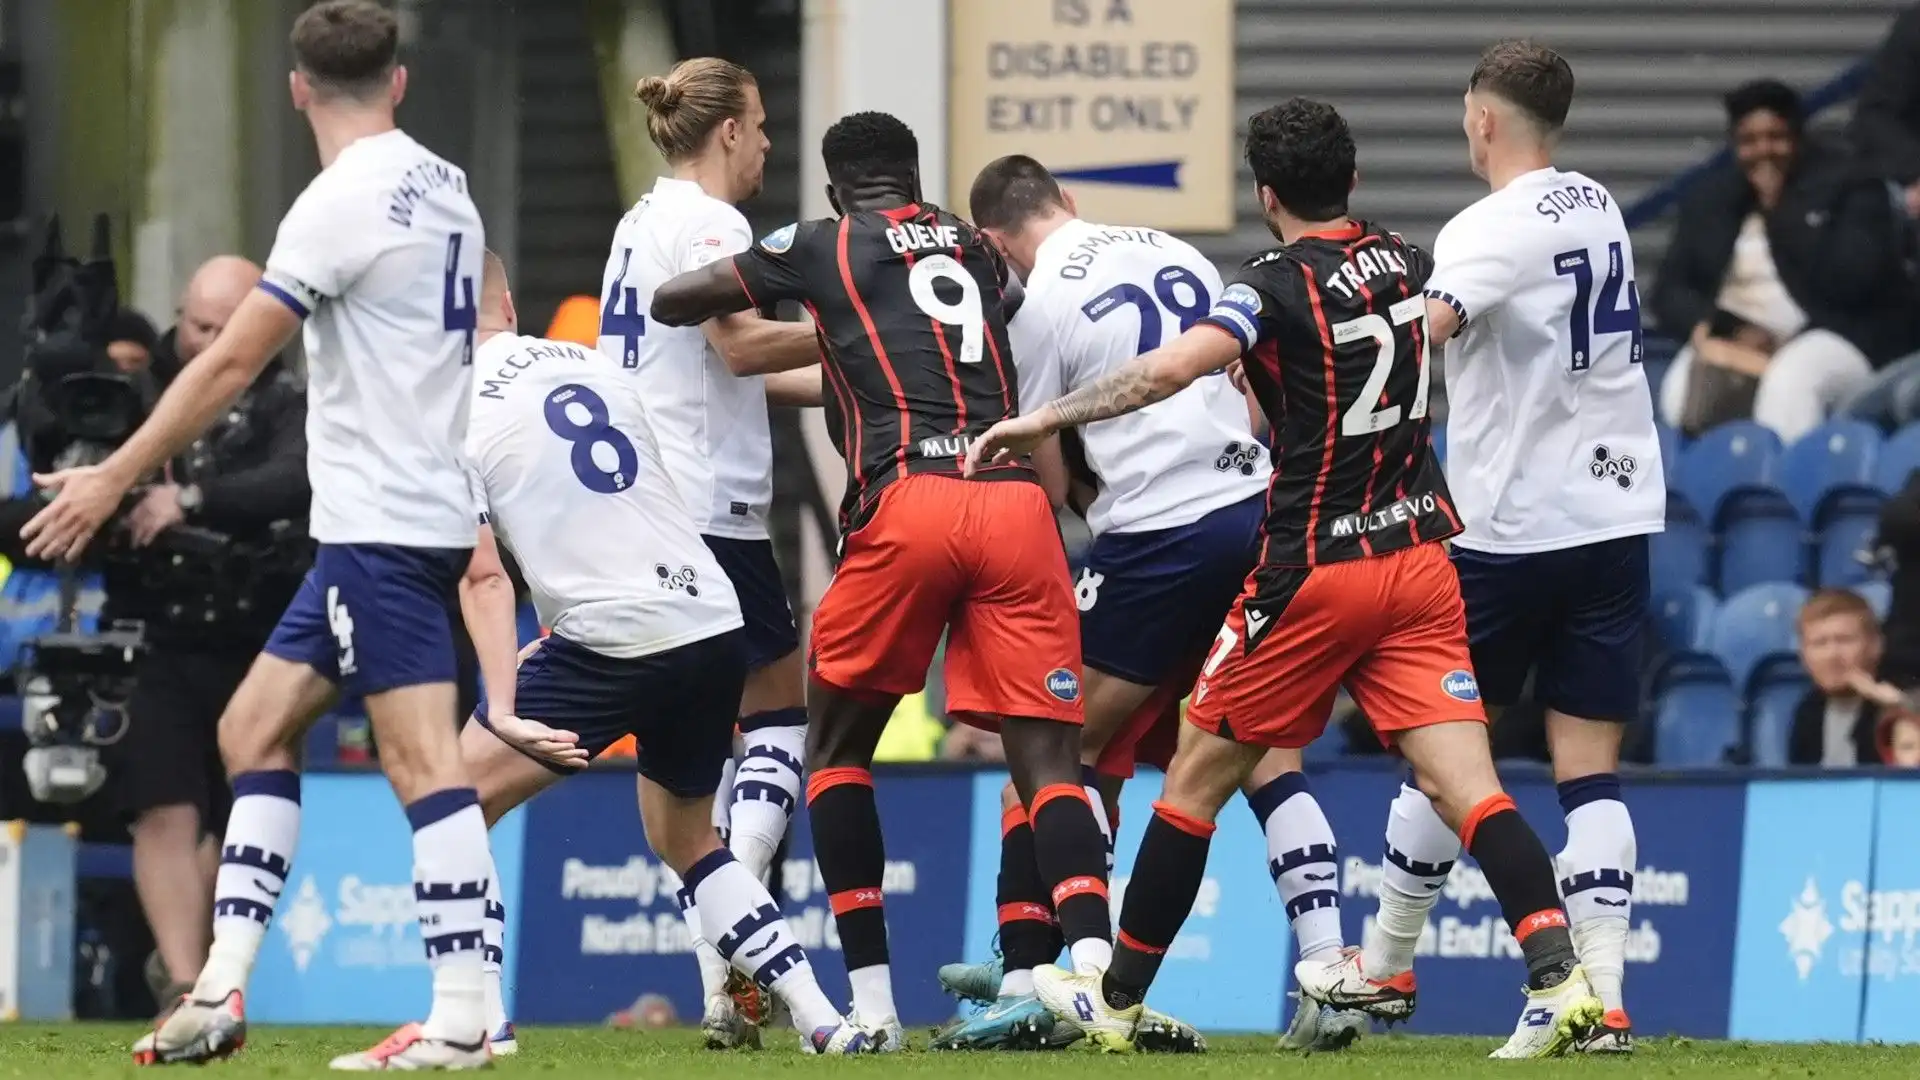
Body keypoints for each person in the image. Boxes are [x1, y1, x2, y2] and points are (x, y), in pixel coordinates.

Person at [965, 96, 1602, 1058]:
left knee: (1189, 784)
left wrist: (1039, 421)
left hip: (1316, 568)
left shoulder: (1267, 286)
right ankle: (1563, 980)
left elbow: (1169, 370)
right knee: (1470, 787)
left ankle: (1118, 998)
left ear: (1266, 196)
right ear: (1348, 179)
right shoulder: (1409, 258)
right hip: (1419, 557)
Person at [23, 3, 496, 1068]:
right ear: (400, 81)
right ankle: (220, 993)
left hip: (382, 523)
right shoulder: (447, 185)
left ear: (296, 89)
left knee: (423, 766)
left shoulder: (334, 206)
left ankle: (465, 1014)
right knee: (249, 732)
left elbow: (232, 363)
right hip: (389, 519)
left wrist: (111, 476)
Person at [650, 110, 1116, 1053]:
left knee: (835, 750)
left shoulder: (821, 242)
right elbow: (980, 325)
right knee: (1050, 765)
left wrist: (798, 296)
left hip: (909, 500)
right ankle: (1097, 985)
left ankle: (875, 1007)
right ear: (915, 173)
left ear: (833, 188)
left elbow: (678, 298)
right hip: (1013, 500)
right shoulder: (976, 246)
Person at [931, 153, 1358, 1054]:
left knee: (1057, 744)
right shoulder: (1175, 250)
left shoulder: (1036, 302)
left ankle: (1038, 976)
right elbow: (1244, 393)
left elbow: (1046, 469)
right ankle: (1329, 973)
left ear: (999, 246)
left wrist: (1097, 506)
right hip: (1255, 507)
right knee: (1263, 754)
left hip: (1163, 533)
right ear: (1069, 202)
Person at [427, 251, 877, 1056]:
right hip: (708, 616)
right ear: (505, 298)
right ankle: (824, 1022)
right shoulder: (595, 367)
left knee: (454, 803)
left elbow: (484, 576)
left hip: (612, 632)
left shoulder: (446, 405)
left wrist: (502, 699)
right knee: (687, 839)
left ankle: (480, 1018)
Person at [1320, 41, 1660, 1057]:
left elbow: (1426, 327)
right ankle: (1603, 999)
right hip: (1617, 513)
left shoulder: (1485, 227)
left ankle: (1384, 961)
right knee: (1590, 773)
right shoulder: (1595, 202)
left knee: (1444, 750)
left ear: (1482, 120)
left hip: (1508, 531)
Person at [597, 56, 823, 1049]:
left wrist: (869, 390)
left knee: (695, 762)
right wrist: (868, 330)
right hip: (707, 512)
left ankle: (722, 975)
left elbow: (712, 372)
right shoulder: (713, 224)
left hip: (643, 508)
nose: (770, 143)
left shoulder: (637, 220)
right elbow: (742, 349)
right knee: (779, 711)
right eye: (764, 125)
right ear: (727, 130)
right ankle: (735, 938)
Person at [119, 256, 311, 1013]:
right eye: (197, 325)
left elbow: (296, 478)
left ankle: (210, 974)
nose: (206, 343)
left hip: (256, 631)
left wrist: (190, 499)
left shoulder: (290, 399)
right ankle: (180, 978)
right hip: (155, 630)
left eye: (226, 329)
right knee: (164, 804)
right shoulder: (135, 390)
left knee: (238, 810)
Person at [1654, 78, 1918, 441]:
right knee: (1679, 393)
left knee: (1790, 382)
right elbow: (1669, 290)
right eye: (1749, 141)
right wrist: (1713, 329)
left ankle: (1786, 491)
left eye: (1776, 137)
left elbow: (1854, 281)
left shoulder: (1851, 187)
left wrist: (1781, 210)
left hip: (1837, 337)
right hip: (1740, 338)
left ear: (1797, 138)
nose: (1764, 150)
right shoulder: (1713, 200)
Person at [1790, 589, 1896, 766]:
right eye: (1819, 643)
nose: (1832, 655)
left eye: (1844, 640)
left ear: (1875, 646)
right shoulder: (1807, 712)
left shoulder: (1898, 705)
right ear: (1803, 656)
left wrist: (1899, 706)